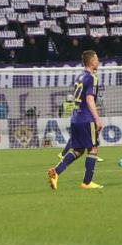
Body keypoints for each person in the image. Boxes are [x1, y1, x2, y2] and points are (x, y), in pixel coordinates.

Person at [47, 50, 103, 190]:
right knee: (93, 148)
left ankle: (56, 172)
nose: (98, 61)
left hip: (75, 118)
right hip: (86, 118)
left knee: (78, 150)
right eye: (96, 59)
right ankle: (87, 182)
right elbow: (89, 99)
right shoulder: (92, 77)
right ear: (91, 62)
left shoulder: (80, 77)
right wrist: (97, 119)